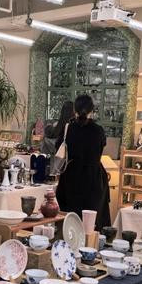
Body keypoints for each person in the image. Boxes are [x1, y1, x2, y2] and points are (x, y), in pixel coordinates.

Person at [55, 95, 111, 229]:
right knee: (93, 221)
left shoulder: (68, 128)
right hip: (94, 177)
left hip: (71, 177)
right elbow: (100, 148)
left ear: (75, 109)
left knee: (70, 219)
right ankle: (92, 241)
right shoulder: (98, 130)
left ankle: (70, 240)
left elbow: (58, 147)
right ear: (92, 110)